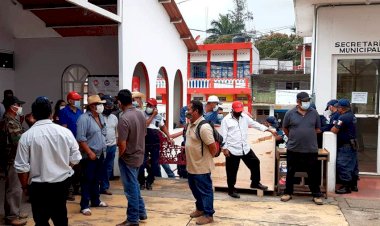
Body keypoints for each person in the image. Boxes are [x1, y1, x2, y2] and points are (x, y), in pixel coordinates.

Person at [14, 96, 82, 226]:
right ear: (51, 113)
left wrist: (25, 187)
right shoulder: (65, 132)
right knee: (61, 218)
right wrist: (65, 167)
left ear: (33, 115)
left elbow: (21, 167)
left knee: (40, 220)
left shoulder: (26, 137)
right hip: (61, 184)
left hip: (38, 187)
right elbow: (76, 158)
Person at [221, 101, 274, 198]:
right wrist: (224, 148)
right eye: (237, 111)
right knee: (232, 171)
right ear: (232, 110)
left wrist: (267, 129)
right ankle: (231, 190)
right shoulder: (226, 120)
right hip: (232, 149)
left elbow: (254, 124)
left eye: (240, 111)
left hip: (244, 148)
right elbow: (223, 136)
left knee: (255, 162)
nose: (239, 112)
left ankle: (255, 183)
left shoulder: (245, 117)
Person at [280, 92, 323, 205]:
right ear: (298, 102)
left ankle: (316, 195)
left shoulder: (314, 113)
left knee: (313, 173)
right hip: (294, 148)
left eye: (308, 100)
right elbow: (285, 128)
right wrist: (294, 137)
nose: (306, 103)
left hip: (311, 149)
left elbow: (318, 129)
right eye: (304, 101)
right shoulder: (290, 113)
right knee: (290, 172)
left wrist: (307, 134)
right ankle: (287, 193)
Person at [116, 89, 147, 226]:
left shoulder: (123, 118)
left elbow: (122, 144)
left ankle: (133, 219)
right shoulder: (140, 114)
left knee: (131, 189)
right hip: (139, 155)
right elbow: (143, 134)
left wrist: (121, 156)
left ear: (119, 102)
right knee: (134, 186)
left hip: (128, 157)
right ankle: (141, 212)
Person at [185, 100, 217, 225]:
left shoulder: (203, 127)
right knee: (195, 190)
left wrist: (205, 159)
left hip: (201, 167)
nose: (187, 112)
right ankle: (200, 208)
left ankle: (208, 214)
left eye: (189, 110)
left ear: (196, 111)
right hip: (191, 166)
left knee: (205, 191)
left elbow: (213, 148)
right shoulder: (190, 124)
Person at [76, 95, 108, 216]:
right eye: (99, 104)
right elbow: (81, 138)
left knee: (97, 178)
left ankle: (96, 200)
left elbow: (103, 132)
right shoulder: (83, 119)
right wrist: (89, 152)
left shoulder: (101, 117)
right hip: (89, 154)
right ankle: (84, 205)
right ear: (92, 106)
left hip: (100, 154)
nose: (101, 106)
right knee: (87, 179)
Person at [0, 96, 27, 226]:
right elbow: (17, 140)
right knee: (14, 188)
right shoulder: (9, 121)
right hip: (12, 158)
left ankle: (14, 212)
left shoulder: (12, 120)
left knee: (15, 187)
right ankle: (11, 216)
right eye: (18, 104)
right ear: (11, 106)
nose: (20, 107)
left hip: (14, 157)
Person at [138, 98, 173, 190]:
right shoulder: (142, 114)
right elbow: (145, 125)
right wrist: (153, 115)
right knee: (142, 163)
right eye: (148, 105)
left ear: (155, 107)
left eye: (151, 106)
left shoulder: (159, 117)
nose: (148, 107)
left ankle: (149, 181)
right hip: (144, 143)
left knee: (155, 164)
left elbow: (163, 127)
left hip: (155, 143)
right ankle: (141, 182)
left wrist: (169, 136)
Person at [331, 99, 359, 194]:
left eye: (338, 107)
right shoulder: (352, 115)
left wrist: (333, 126)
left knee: (343, 164)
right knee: (353, 165)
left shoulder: (343, 118)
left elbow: (334, 130)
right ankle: (353, 185)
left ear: (341, 108)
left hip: (345, 146)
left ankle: (346, 187)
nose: (337, 108)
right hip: (352, 144)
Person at [59, 91, 83, 199]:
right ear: (70, 101)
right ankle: (68, 190)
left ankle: (76, 188)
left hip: (79, 142)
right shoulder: (64, 112)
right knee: (69, 167)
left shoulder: (80, 112)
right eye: (76, 100)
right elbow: (64, 128)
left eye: (79, 100)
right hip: (69, 143)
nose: (78, 101)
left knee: (78, 167)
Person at [99, 95, 118, 195]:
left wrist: (117, 142)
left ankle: (105, 187)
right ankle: (96, 187)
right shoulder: (98, 117)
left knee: (109, 168)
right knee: (99, 167)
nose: (109, 109)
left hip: (112, 146)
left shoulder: (114, 117)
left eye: (110, 107)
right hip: (101, 147)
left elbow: (116, 131)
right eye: (107, 107)